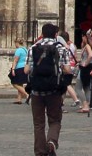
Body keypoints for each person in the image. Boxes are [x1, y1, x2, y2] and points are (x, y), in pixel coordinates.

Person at [28, 23, 74, 156]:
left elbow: (27, 69)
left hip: (36, 90)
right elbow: (67, 69)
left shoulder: (33, 48)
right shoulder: (61, 48)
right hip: (54, 90)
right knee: (55, 120)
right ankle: (52, 142)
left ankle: (40, 152)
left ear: (42, 34)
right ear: (55, 35)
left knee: (38, 123)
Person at [75, 27, 92, 114]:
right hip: (88, 67)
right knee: (86, 87)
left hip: (85, 68)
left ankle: (85, 105)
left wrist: (84, 63)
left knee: (78, 88)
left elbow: (90, 55)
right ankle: (87, 104)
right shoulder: (87, 45)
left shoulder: (87, 46)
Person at [10, 37, 31, 104]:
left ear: (17, 43)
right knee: (20, 83)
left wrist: (13, 69)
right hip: (24, 67)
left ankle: (26, 94)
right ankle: (19, 99)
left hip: (19, 68)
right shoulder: (25, 50)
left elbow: (15, 60)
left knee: (14, 83)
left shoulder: (18, 50)